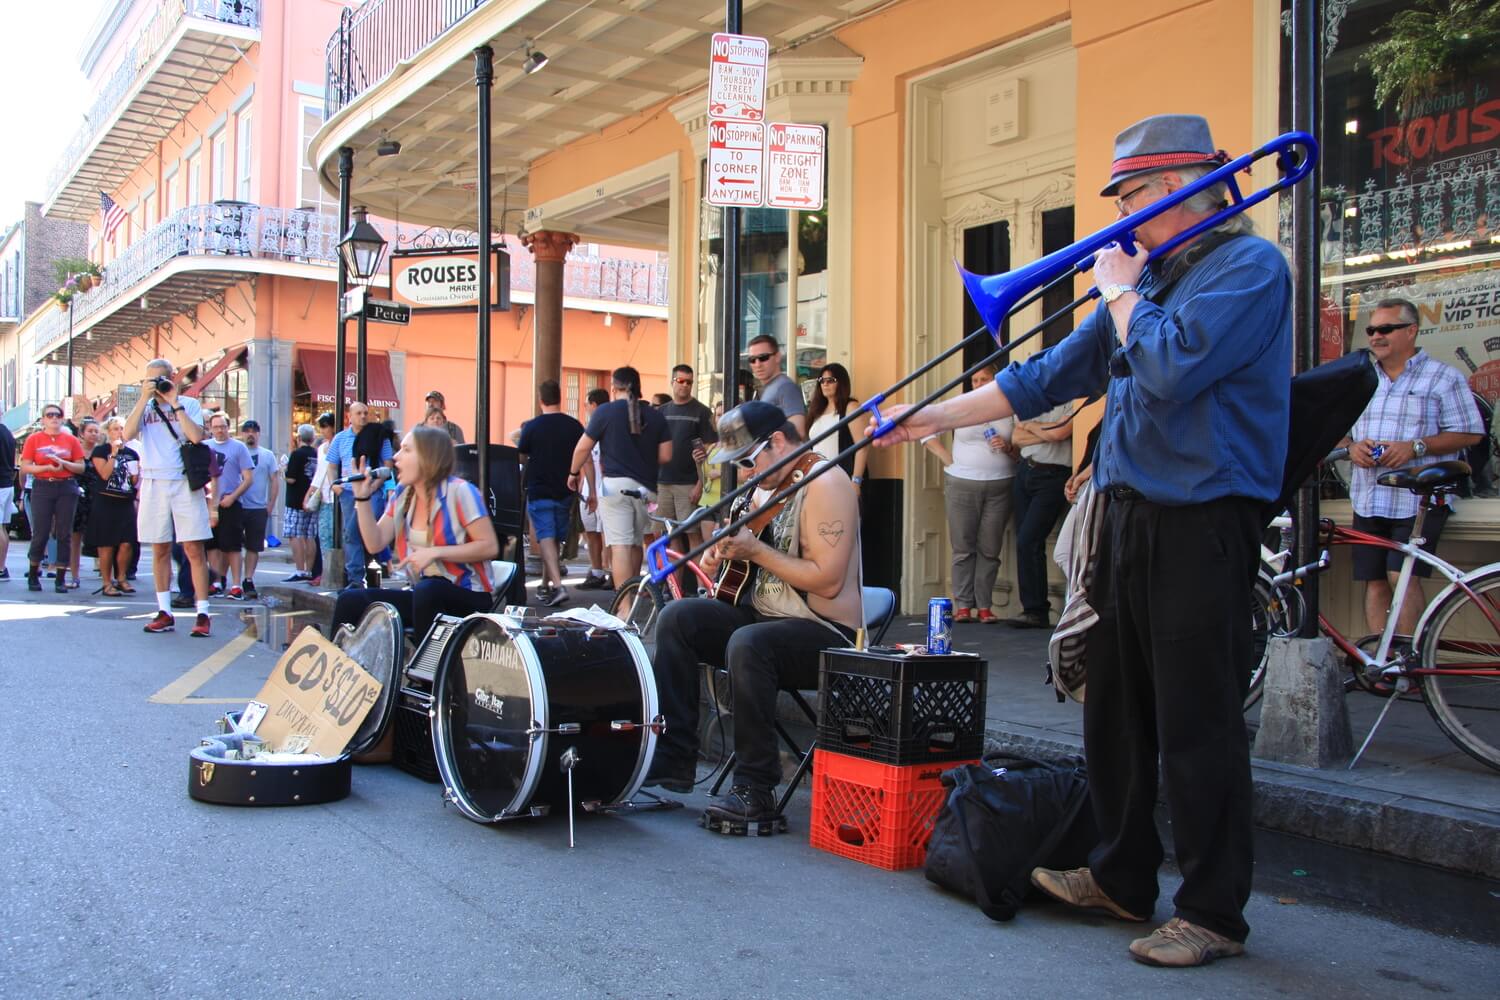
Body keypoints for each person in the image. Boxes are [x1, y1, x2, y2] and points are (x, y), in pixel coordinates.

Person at [873, 115, 1292, 966]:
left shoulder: (1247, 269)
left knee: (1196, 721)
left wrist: (1124, 293)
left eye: (1131, 197)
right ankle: (1121, 876)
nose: (1120, 220)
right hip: (1130, 512)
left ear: (1179, 188)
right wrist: (929, 416)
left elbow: (1174, 369)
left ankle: (1212, 912)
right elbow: (1044, 377)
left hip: (1204, 518)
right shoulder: (1155, 279)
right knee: (1117, 708)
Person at [646, 402, 863, 830]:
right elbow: (730, 571)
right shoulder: (759, 486)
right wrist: (716, 556)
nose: (745, 472)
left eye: (748, 460)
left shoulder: (825, 483)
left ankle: (756, 789)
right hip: (763, 618)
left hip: (825, 632)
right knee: (677, 618)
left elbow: (828, 581)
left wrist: (756, 550)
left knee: (749, 644)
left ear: (778, 443)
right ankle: (674, 758)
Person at [1340, 297, 1483, 635]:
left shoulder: (1443, 377)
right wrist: (1351, 448)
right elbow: (1334, 432)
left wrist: (1415, 447)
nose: (1376, 336)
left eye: (1386, 329)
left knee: (1400, 576)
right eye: (1372, 329)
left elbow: (1471, 433)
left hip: (1418, 499)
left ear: (1412, 331)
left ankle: (1406, 660)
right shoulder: (1361, 380)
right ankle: (1381, 663)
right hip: (1369, 496)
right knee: (1373, 580)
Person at [329, 425, 499, 641]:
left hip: (469, 597)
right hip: (424, 595)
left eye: (407, 450)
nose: (397, 457)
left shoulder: (461, 491)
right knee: (350, 599)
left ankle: (425, 671)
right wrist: (362, 499)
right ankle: (334, 667)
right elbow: (375, 543)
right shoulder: (403, 494)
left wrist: (436, 552)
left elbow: (489, 546)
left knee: (429, 590)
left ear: (429, 457)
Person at [122, 358, 214, 636]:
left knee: (193, 549)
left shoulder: (190, 404)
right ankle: (164, 611)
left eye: (161, 379)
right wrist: (143, 398)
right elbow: (127, 434)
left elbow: (196, 437)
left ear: (173, 378)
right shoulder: (145, 407)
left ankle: (203, 613)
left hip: (184, 481)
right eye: (151, 380)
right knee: (159, 548)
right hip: (152, 481)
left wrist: (175, 402)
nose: (157, 385)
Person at [920, 363, 1016, 624]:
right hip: (962, 481)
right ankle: (963, 605)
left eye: (984, 379)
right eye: (974, 380)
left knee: (990, 547)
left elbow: (1022, 445)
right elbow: (927, 431)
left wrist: (1008, 447)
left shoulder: (1008, 406)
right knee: (963, 546)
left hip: (1001, 482)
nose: (978, 385)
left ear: (995, 380)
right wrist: (947, 459)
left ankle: (984, 606)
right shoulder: (962, 405)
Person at [568, 366, 670, 591]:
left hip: (615, 486)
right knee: (635, 543)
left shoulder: (605, 412)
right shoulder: (655, 416)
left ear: (614, 388)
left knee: (620, 545)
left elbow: (582, 448)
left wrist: (573, 473)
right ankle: (634, 595)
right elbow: (666, 455)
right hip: (647, 489)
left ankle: (624, 606)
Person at [1006, 404, 1075, 628]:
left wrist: (1029, 426)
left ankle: (1036, 610)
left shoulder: (1073, 398)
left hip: (1054, 474)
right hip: (1026, 470)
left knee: (1029, 538)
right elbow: (1015, 438)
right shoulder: (1034, 397)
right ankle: (1031, 608)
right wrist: (1045, 431)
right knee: (1023, 541)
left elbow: (1060, 433)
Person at [517, 379, 584, 606]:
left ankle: (558, 586)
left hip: (540, 488)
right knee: (553, 539)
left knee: (545, 536)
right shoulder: (574, 426)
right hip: (565, 489)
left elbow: (521, 453)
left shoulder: (532, 427)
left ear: (540, 399)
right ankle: (546, 585)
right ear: (560, 397)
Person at [656, 364, 718, 583]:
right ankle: (675, 590)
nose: (684, 386)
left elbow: (709, 453)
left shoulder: (701, 412)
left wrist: (699, 485)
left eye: (689, 382)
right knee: (669, 537)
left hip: (688, 484)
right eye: (680, 381)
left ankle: (702, 586)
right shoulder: (661, 412)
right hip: (663, 483)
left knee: (693, 536)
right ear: (672, 381)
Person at [19, 405, 85, 593]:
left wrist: (63, 464)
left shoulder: (71, 440)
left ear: (63, 419)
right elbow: (25, 466)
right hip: (42, 485)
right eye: (50, 415)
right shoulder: (34, 439)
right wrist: (45, 468)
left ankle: (61, 578)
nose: (54, 418)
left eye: (58, 415)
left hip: (66, 485)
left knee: (64, 532)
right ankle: (34, 572)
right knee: (41, 531)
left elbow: (81, 467)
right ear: (43, 420)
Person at [327, 402, 392, 590]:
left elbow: (387, 465)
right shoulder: (340, 438)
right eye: (359, 413)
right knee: (351, 532)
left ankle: (373, 574)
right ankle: (356, 578)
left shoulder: (379, 436)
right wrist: (334, 484)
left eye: (365, 413)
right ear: (350, 416)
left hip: (372, 490)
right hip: (348, 491)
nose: (363, 416)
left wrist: (376, 486)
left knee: (369, 530)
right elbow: (331, 465)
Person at [87, 417, 140, 596]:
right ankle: (107, 582)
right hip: (105, 502)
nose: (119, 432)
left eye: (122, 428)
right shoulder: (101, 451)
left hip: (125, 502)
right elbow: (104, 473)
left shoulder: (133, 453)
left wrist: (135, 474)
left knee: (127, 543)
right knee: (106, 545)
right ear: (108, 432)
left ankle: (122, 578)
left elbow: (133, 481)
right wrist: (114, 453)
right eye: (115, 428)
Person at [203, 412, 252, 599]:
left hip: (231, 502)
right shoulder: (205, 447)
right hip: (209, 502)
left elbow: (248, 478)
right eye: (216, 427)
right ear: (210, 428)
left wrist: (233, 497)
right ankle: (216, 582)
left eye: (223, 426)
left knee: (232, 546)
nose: (219, 430)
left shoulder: (239, 447)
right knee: (212, 545)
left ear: (228, 427)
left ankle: (236, 584)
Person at [806, 363, 870, 496]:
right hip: (817, 480)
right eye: (822, 381)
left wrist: (856, 480)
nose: (825, 384)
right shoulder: (816, 411)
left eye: (831, 380)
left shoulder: (851, 406)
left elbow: (862, 446)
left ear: (841, 382)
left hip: (843, 479)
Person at [237, 419, 280, 599]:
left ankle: (248, 579)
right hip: (237, 504)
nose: (250, 434)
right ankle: (229, 580)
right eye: (247, 431)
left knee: (253, 546)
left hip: (257, 507)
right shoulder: (237, 450)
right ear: (242, 433)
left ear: (258, 434)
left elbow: (274, 480)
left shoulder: (267, 455)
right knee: (232, 546)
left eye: (254, 431)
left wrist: (270, 504)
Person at [575, 387, 611, 590]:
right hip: (589, 490)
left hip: (606, 491)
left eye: (587, 404)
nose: (586, 408)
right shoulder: (589, 430)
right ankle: (596, 571)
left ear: (594, 405)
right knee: (591, 532)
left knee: (608, 535)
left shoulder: (609, 427)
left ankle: (611, 572)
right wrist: (581, 482)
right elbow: (585, 459)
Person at [746, 334, 806, 435]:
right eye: (752, 360)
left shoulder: (785, 387)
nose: (757, 364)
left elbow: (798, 431)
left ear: (777, 357)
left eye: (763, 357)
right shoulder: (770, 388)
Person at [283, 424, 320, 582]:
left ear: (298, 438)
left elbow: (290, 478)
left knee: (295, 535)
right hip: (312, 499)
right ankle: (309, 570)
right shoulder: (316, 453)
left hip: (295, 499)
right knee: (309, 535)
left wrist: (283, 470)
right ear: (312, 438)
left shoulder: (296, 454)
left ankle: (300, 570)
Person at [68, 419, 102, 589]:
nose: (94, 434)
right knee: (75, 537)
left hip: (97, 496)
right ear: (81, 433)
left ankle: (107, 576)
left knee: (103, 537)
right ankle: (75, 575)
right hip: (77, 495)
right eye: (90, 431)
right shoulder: (75, 451)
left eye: (96, 431)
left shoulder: (102, 452)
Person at [0, 420, 14, 581]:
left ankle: (1, 567)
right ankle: (2, 567)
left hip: (2, 484)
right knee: (2, 527)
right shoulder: (7, 432)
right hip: (7, 483)